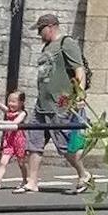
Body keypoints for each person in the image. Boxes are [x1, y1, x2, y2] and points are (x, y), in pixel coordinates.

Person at [34, 13, 94, 192]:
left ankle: (84, 174)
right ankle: (30, 181)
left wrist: (80, 95)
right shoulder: (47, 46)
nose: (38, 34)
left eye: (40, 29)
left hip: (60, 104)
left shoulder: (66, 43)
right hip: (42, 104)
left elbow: (79, 69)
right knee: (33, 141)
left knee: (64, 146)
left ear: (50, 27)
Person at [0, 88, 33, 191]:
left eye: (13, 102)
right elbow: (0, 105)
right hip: (9, 140)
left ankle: (25, 180)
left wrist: (0, 122)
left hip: (19, 140)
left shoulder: (22, 113)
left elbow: (15, 123)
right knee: (3, 161)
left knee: (21, 163)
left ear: (21, 102)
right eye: (9, 101)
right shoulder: (9, 111)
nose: (10, 104)